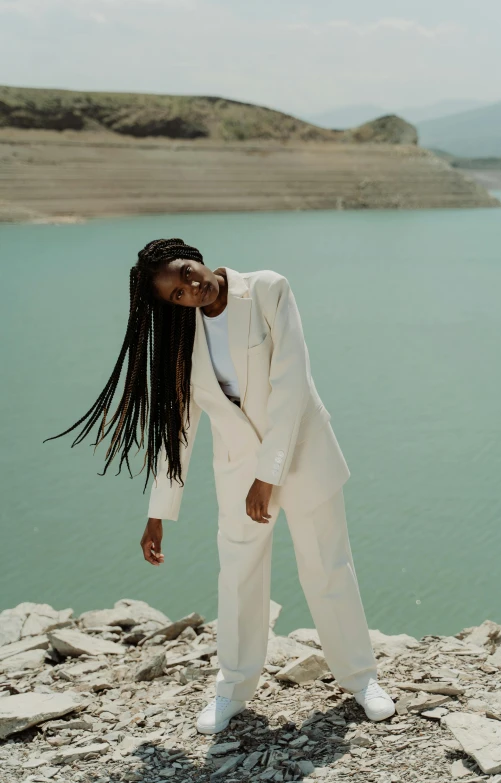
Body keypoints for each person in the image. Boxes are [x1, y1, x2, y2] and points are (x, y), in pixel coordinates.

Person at [45, 237, 395, 734]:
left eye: (187, 272)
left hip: (301, 456)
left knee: (327, 568)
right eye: (178, 294)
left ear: (196, 256)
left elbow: (292, 385)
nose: (191, 288)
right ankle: (233, 688)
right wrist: (158, 512)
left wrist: (266, 476)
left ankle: (362, 679)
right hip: (237, 473)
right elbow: (180, 427)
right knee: (237, 579)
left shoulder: (269, 289)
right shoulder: (181, 339)